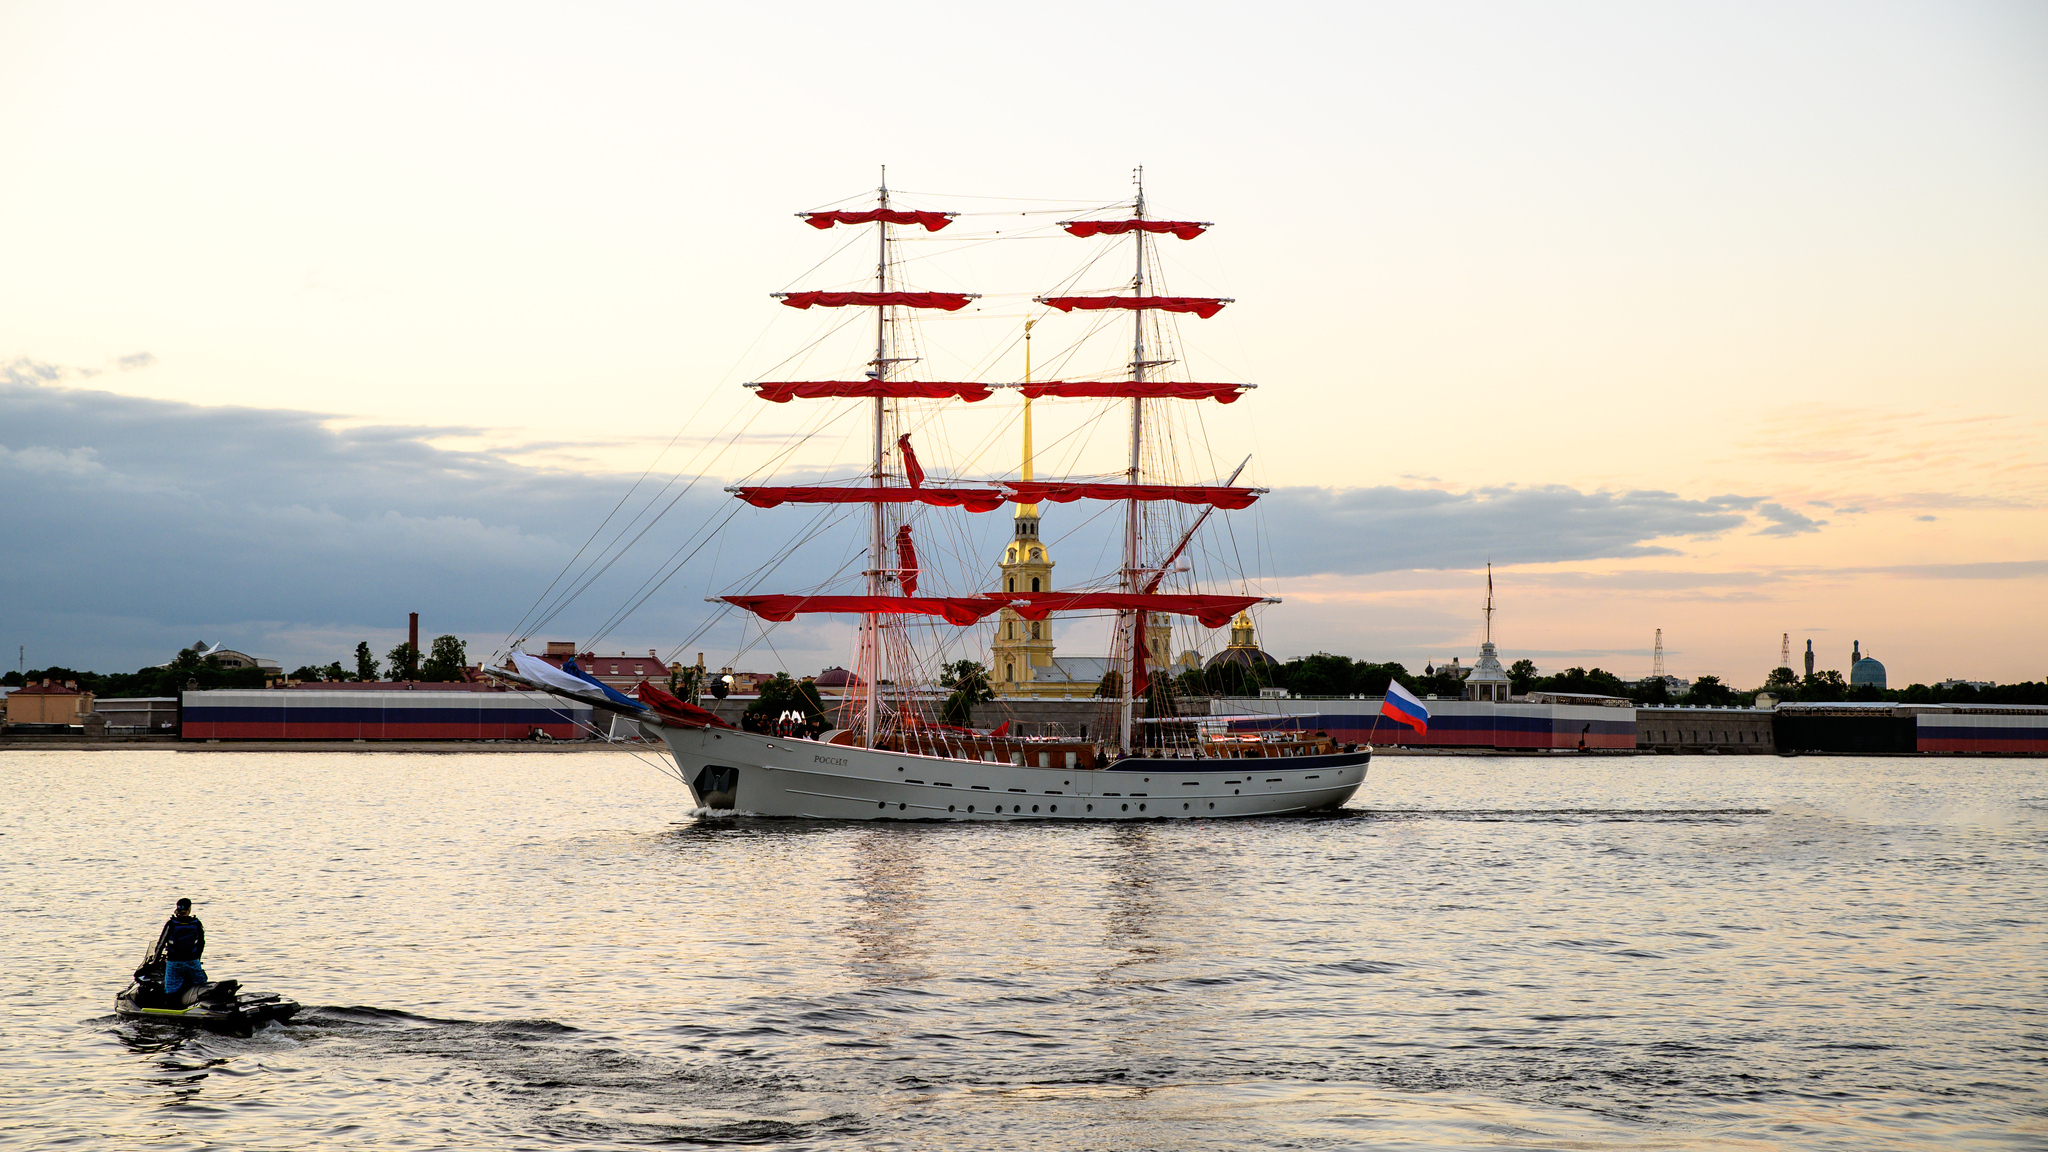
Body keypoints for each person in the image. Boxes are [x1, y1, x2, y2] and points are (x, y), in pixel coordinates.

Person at [154, 897, 207, 998]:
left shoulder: (171, 924)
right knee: (202, 985)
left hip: (174, 962)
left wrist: (154, 962)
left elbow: (160, 945)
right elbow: (201, 944)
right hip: (192, 961)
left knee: (170, 989)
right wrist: (197, 959)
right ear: (189, 909)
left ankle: (171, 1006)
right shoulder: (196, 923)